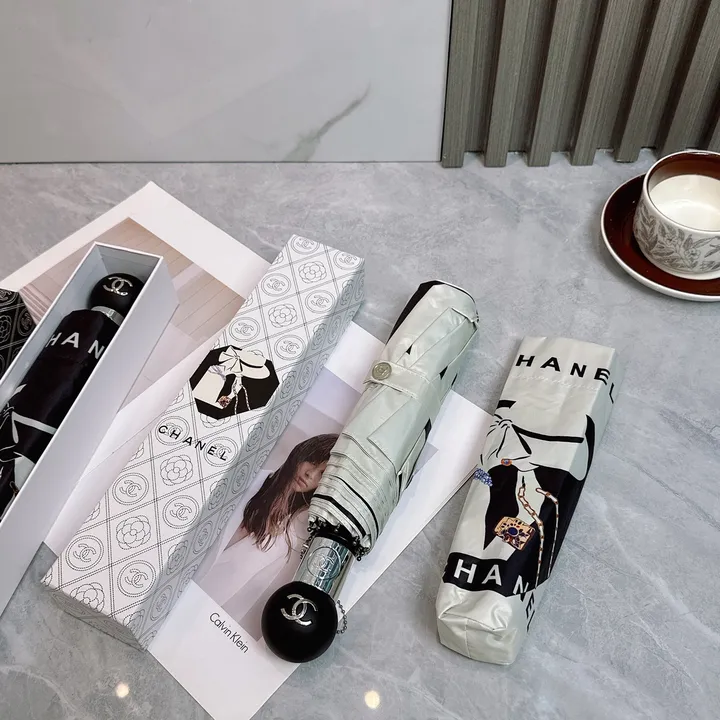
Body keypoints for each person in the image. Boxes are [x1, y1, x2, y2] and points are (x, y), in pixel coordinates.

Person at [198, 434, 338, 637]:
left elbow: (243, 597)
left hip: (203, 614)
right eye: (313, 462)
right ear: (302, 452)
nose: (310, 475)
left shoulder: (286, 538)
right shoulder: (247, 478)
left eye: (322, 474)